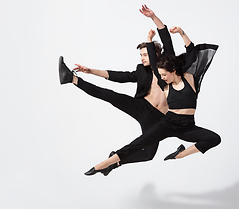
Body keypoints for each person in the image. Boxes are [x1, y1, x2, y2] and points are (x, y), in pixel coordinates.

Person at [84, 5, 221, 176]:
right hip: (167, 121)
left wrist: (174, 29)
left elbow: (188, 52)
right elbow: (124, 75)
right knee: (137, 143)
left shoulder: (189, 78)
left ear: (172, 71)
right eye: (160, 74)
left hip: (186, 125)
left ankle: (180, 154)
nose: (161, 77)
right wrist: (149, 41)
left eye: (164, 74)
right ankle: (103, 165)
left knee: (214, 138)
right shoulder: (164, 83)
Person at [59, 7, 183, 176]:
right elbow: (119, 76)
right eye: (141, 56)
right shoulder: (142, 71)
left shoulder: (169, 65)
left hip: (158, 119)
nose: (142, 58)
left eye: (145, 54)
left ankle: (112, 164)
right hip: (141, 107)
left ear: (155, 53)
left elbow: (166, 38)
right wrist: (91, 70)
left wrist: (153, 17)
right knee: (109, 95)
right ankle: (72, 79)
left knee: (148, 154)